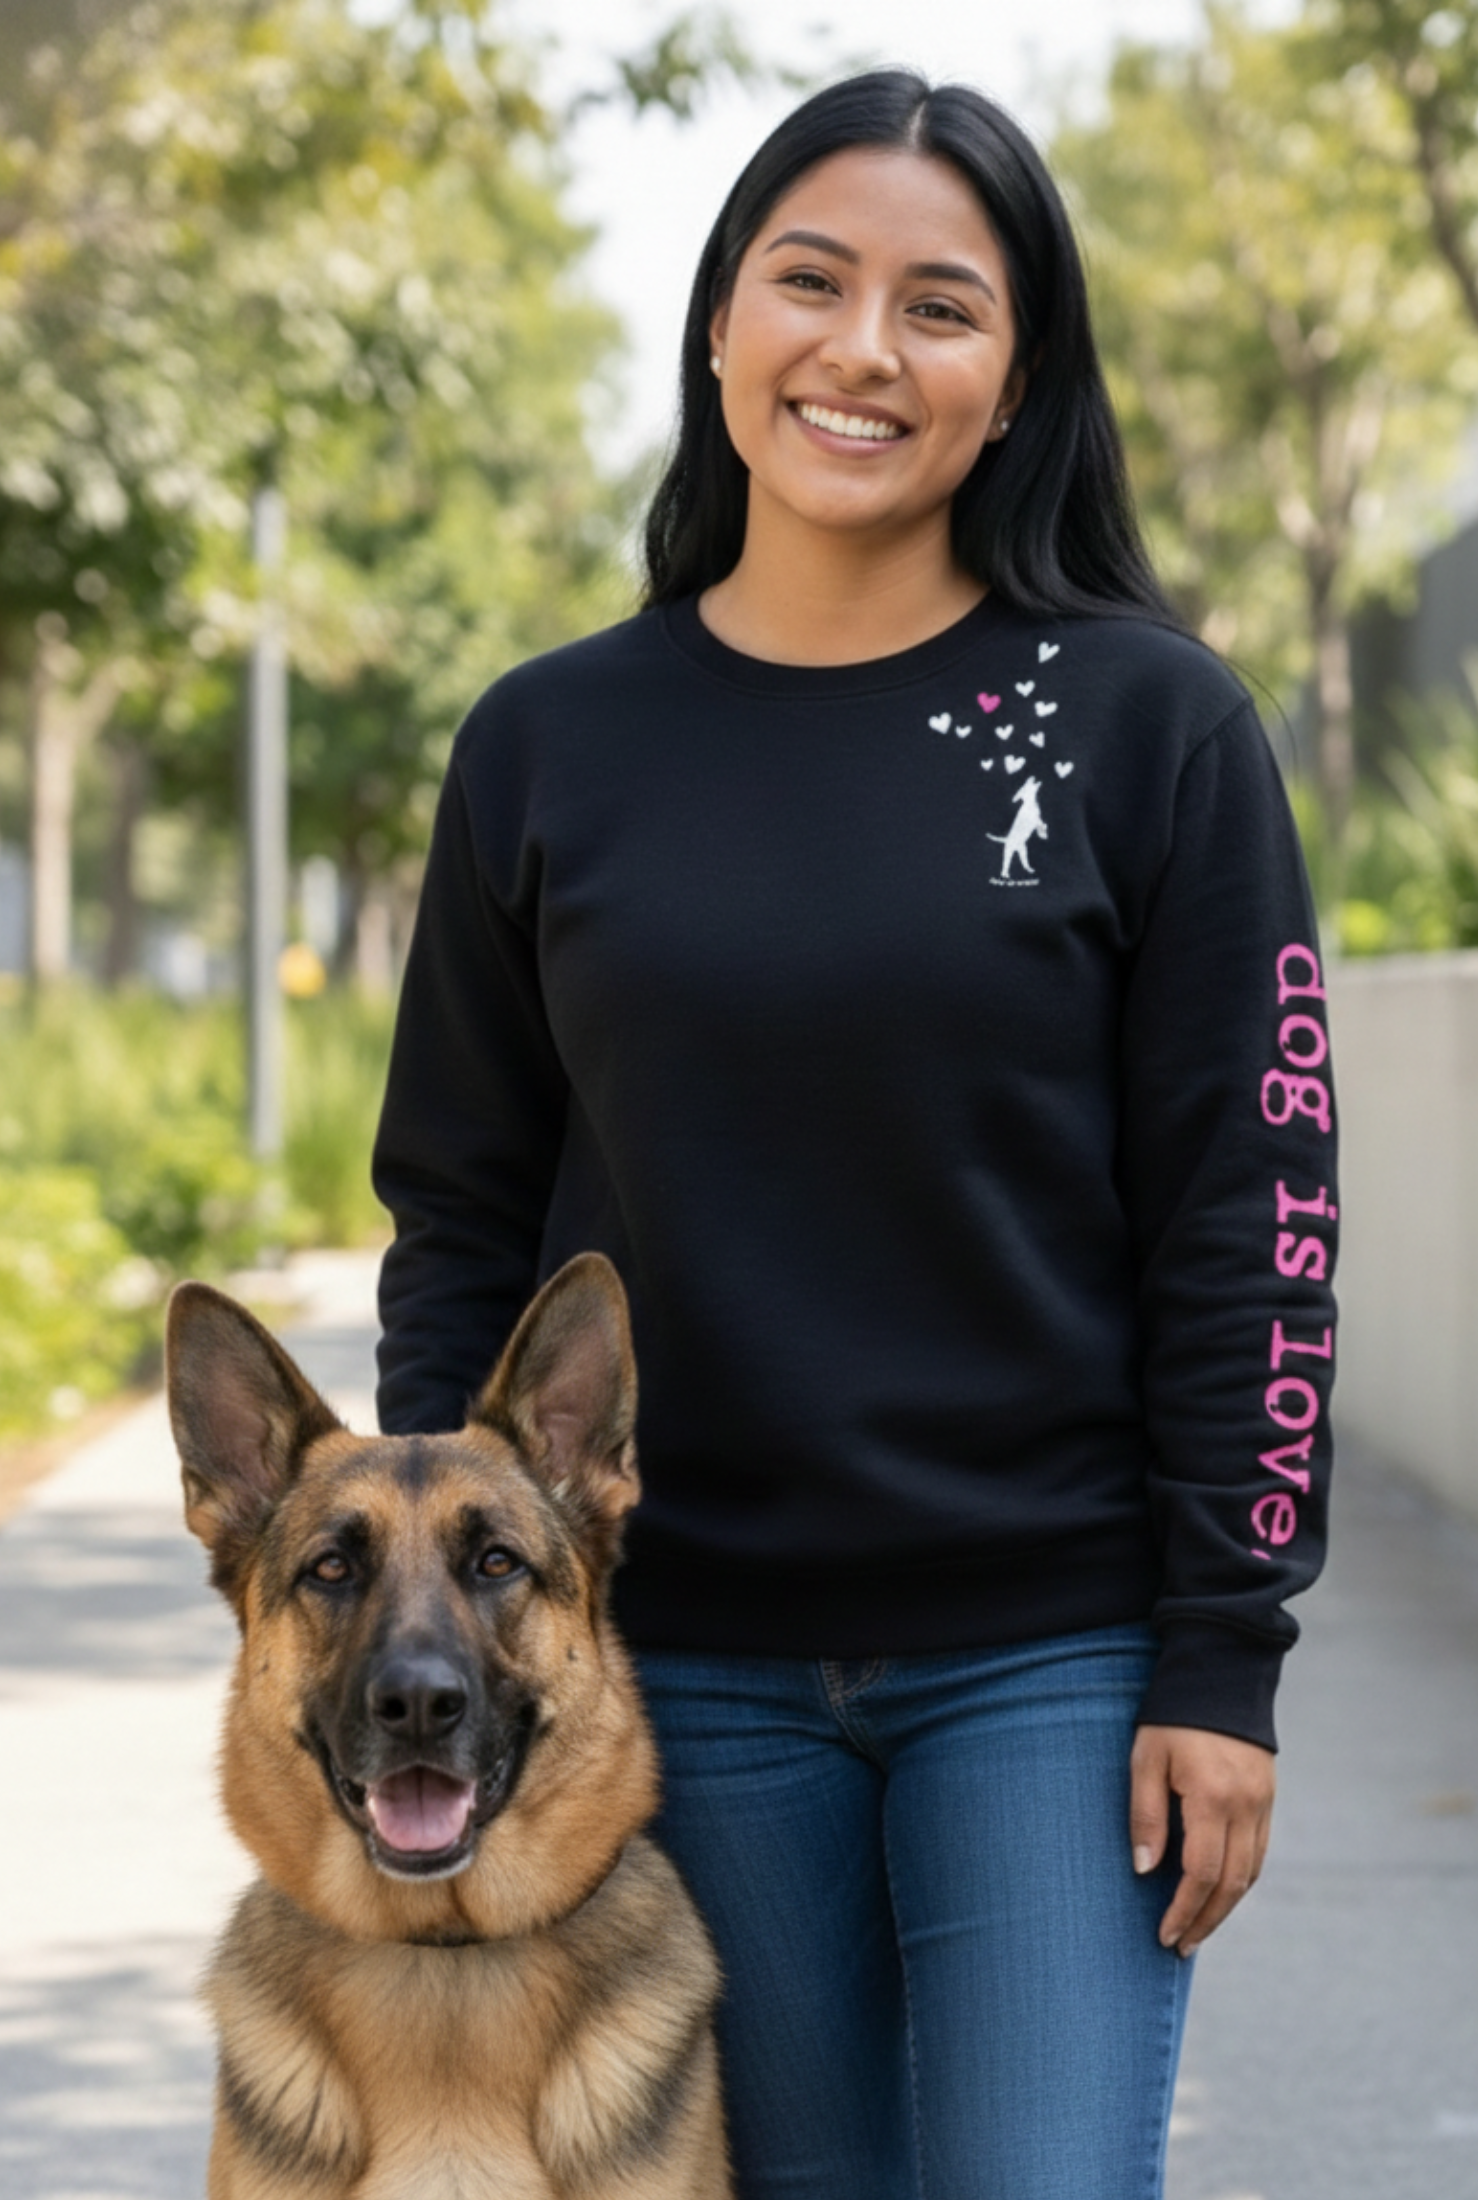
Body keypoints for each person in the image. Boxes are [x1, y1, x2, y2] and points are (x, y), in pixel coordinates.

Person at [373, 68, 1337, 2200]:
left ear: (1016, 384)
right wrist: (448, 1615)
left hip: (1052, 1659)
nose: (862, 351)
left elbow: (1249, 1215)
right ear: (722, 320)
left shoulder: (1145, 724)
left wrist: (1224, 1649)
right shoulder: (549, 740)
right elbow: (459, 1210)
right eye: (810, 281)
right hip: (672, 1664)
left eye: (943, 306)